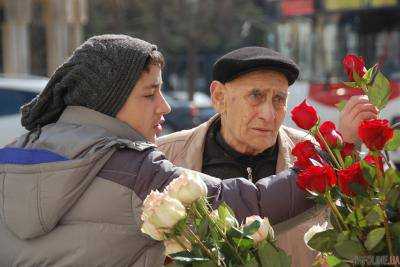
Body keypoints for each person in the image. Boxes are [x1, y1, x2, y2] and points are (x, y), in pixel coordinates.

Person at [0, 35, 315, 266]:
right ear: (111, 100)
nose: (164, 106)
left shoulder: (10, 157)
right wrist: (324, 162)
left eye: (279, 99)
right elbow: (245, 204)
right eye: (150, 94)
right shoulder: (135, 169)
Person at [156, 47, 378, 266]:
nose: (269, 114)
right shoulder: (165, 156)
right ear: (219, 96)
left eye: (279, 99)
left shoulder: (317, 156)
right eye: (256, 96)